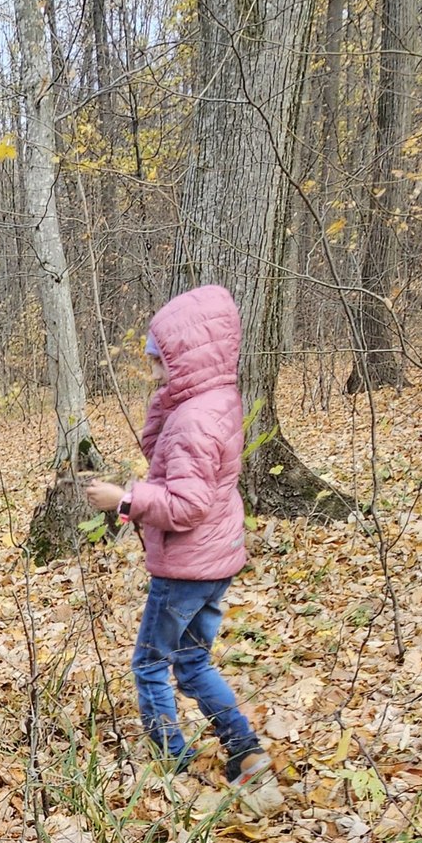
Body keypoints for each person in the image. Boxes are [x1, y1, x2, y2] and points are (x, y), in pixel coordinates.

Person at [84, 284, 273, 792]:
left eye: (161, 364)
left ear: (188, 359)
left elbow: (186, 506)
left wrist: (125, 500)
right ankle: (246, 749)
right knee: (191, 662)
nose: (155, 375)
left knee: (150, 664)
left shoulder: (193, 422)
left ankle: (172, 761)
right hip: (216, 561)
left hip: (186, 567)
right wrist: (162, 400)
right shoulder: (215, 402)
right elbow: (158, 452)